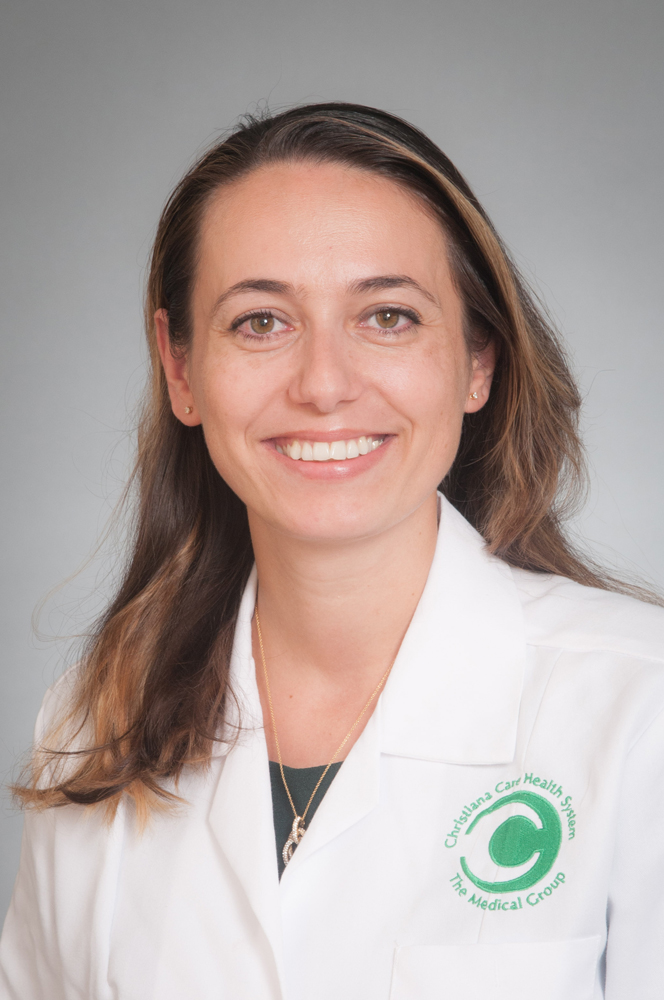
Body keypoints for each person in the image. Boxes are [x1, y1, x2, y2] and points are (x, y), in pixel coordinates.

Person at [1, 103, 662, 1000]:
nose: (323, 385)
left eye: (388, 316)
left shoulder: (640, 710)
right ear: (181, 369)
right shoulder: (91, 727)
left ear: (478, 360)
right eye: (260, 322)